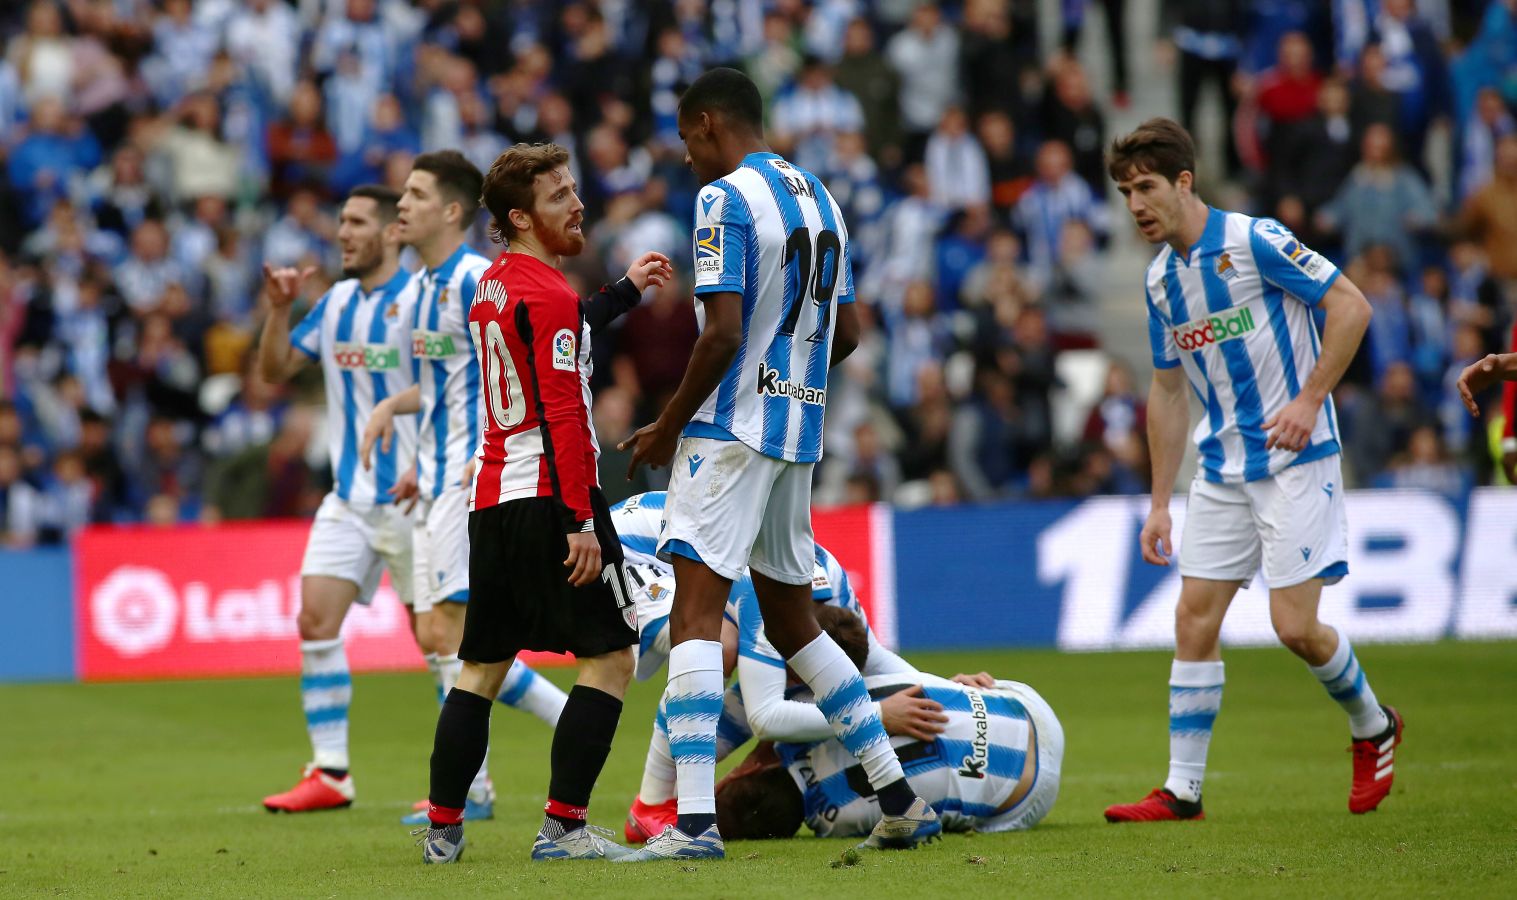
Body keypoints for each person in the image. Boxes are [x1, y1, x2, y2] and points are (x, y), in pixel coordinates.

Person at [618, 67, 937, 861]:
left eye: (685, 138)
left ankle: (694, 824)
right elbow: (849, 333)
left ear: (706, 123)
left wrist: (667, 425)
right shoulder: (821, 197)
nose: (685, 156)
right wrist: (790, 379)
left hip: (728, 432)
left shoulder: (722, 198)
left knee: (696, 616)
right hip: (796, 433)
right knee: (794, 623)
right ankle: (897, 797)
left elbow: (722, 333)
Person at [1103, 119, 1403, 823]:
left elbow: (1350, 306)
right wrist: (1158, 502)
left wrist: (1309, 398)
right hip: (1221, 466)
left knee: (1295, 628)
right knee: (1193, 618)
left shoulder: (1255, 240)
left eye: (1145, 187)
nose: (1135, 204)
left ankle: (1373, 725)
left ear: (1184, 182)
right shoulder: (1160, 281)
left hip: (1298, 458)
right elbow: (1167, 391)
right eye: (1124, 193)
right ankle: (1182, 790)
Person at [415, 143, 672, 865]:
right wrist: (580, 520)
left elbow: (557, 337)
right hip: (552, 498)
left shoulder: (493, 287)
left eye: (572, 189)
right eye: (559, 196)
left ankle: (442, 830)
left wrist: (623, 291)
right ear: (522, 217)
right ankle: (564, 828)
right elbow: (561, 410)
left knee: (481, 667)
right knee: (611, 658)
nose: (577, 205)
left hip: (494, 498)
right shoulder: (550, 296)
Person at [360, 150, 568, 826]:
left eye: (416, 195)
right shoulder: (421, 289)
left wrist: (495, 452)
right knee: (434, 632)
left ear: (452, 210)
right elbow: (450, 384)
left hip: (472, 473)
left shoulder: (482, 278)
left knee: (456, 629)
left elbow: (516, 374)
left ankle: (476, 786)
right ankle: (547, 728)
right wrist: (397, 415)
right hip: (434, 473)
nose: (402, 206)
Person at [605, 492, 941, 843]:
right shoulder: (771, 610)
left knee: (772, 684)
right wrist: (879, 714)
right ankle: (651, 805)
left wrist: (955, 689)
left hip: (688, 543)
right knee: (716, 645)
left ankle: (670, 801)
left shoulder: (840, 596)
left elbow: (882, 665)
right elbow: (764, 718)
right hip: (627, 548)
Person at [256, 185, 422, 813]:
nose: (343, 232)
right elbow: (274, 371)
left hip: (414, 498)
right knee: (315, 622)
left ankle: (487, 775)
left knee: (446, 644)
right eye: (341, 222)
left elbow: (458, 390)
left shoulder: (424, 300)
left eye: (356, 222)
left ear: (392, 232)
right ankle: (330, 772)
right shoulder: (335, 304)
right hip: (349, 497)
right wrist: (279, 311)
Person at [715, 610, 1062, 841]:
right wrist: (942, 688)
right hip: (1028, 707)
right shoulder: (804, 701)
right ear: (746, 771)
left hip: (1030, 794)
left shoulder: (833, 823)